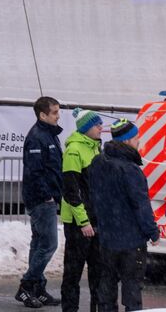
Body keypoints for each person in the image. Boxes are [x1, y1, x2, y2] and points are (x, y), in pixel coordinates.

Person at [88, 118, 160, 312]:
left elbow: (92, 197)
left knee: (107, 287)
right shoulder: (130, 170)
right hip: (130, 240)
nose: (139, 142)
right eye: (136, 138)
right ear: (127, 141)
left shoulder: (98, 162)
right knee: (132, 291)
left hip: (106, 238)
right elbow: (141, 205)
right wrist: (152, 232)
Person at [16, 96, 63, 308]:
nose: (58, 116)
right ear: (42, 115)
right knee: (49, 245)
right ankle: (26, 286)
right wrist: (47, 196)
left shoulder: (50, 135)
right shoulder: (37, 137)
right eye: (54, 112)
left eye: (58, 111)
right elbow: (35, 172)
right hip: (41, 199)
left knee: (38, 245)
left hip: (47, 198)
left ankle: (38, 287)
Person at [60, 108, 103, 312]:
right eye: (97, 124)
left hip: (95, 219)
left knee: (98, 272)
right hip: (79, 223)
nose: (101, 127)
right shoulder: (74, 150)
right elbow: (71, 190)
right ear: (85, 128)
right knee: (73, 273)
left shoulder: (95, 147)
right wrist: (83, 222)